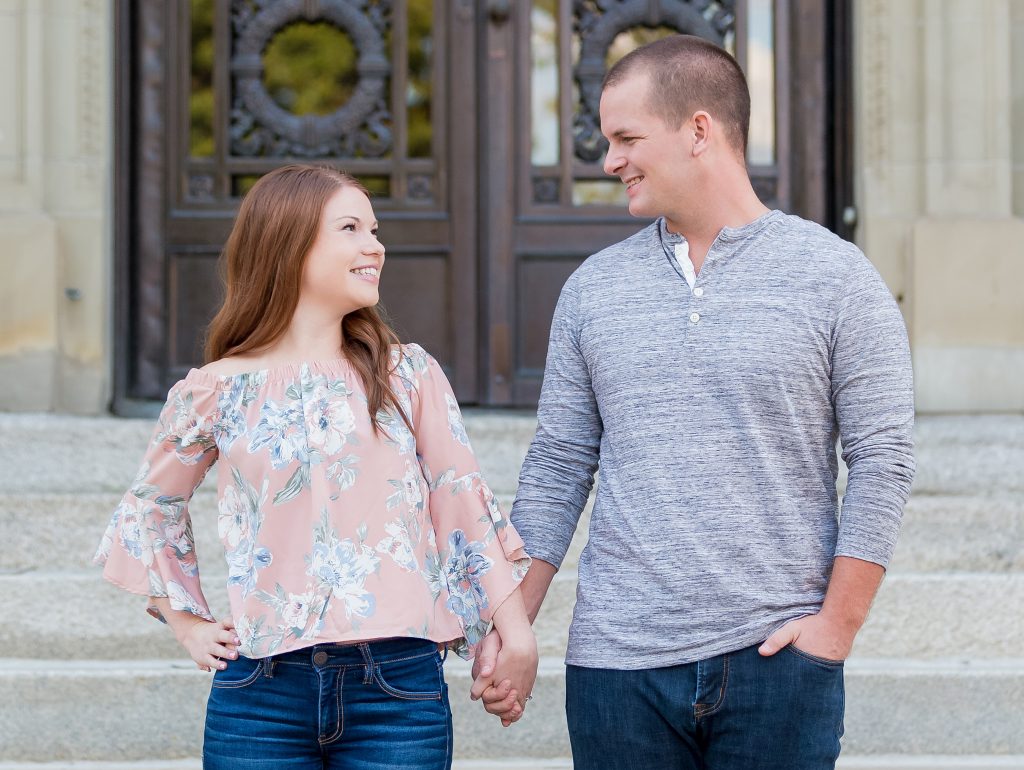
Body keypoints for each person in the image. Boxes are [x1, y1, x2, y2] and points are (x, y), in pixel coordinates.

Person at [470, 34, 916, 769]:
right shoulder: (593, 290)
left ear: (699, 130)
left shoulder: (838, 278)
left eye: (625, 138)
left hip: (777, 660)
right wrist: (512, 621)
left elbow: (883, 460)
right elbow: (557, 465)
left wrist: (835, 629)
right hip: (617, 667)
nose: (610, 160)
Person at [95, 164, 538, 769]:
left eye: (374, 229)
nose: (375, 245)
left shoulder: (406, 374)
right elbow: (149, 505)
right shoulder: (216, 389)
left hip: (398, 687)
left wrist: (515, 630)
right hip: (259, 692)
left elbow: (460, 499)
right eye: (351, 228)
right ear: (288, 243)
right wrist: (187, 621)